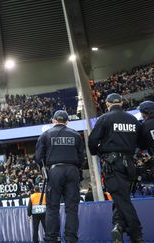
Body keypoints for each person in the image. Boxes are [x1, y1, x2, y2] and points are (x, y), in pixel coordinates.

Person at [88, 94, 143, 242]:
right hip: (130, 164)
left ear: (107, 104)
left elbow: (92, 141)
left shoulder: (105, 118)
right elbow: (142, 143)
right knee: (122, 198)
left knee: (123, 200)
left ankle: (137, 235)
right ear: (122, 103)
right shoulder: (133, 120)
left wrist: (99, 153)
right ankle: (117, 225)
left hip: (113, 164)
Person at [35, 110, 84, 243]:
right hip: (73, 170)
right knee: (72, 208)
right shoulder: (76, 135)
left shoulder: (45, 135)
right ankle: (71, 239)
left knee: (52, 207)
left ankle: (52, 238)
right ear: (67, 121)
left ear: (53, 121)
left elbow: (38, 157)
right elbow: (82, 158)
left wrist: (44, 168)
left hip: (55, 171)